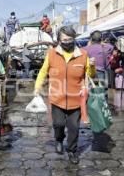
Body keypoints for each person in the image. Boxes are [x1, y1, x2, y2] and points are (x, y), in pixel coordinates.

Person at [34, 26, 96, 164]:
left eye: (70, 39)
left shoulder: (83, 54)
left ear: (74, 39)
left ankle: (72, 151)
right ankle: (58, 139)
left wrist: (92, 66)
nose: (67, 42)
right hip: (57, 97)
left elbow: (90, 75)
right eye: (64, 39)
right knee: (58, 124)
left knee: (74, 127)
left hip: (76, 98)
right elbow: (43, 71)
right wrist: (37, 87)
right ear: (59, 40)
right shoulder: (51, 54)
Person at [84, 31, 113, 95]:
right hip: (102, 73)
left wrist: (88, 44)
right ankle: (102, 104)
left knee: (91, 94)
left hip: (90, 73)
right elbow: (111, 47)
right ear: (101, 39)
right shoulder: (107, 48)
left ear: (91, 39)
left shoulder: (85, 49)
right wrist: (102, 42)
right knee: (102, 94)